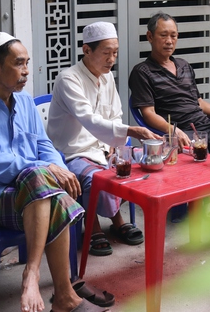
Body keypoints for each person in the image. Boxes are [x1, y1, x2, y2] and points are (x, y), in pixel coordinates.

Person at [0, 32, 111, 312]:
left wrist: (58, 169)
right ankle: (46, 283)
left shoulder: (24, 102)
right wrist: (45, 169)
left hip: (36, 195)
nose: (26, 71)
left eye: (28, 63)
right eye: (19, 63)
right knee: (43, 183)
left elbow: (44, 145)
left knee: (48, 187)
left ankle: (58, 294)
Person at [48, 22, 160, 256]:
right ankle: (94, 225)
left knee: (142, 164)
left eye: (115, 53)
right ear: (86, 50)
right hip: (73, 151)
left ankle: (116, 218)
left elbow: (115, 114)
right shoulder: (69, 79)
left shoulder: (107, 77)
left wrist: (114, 145)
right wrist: (130, 132)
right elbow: (88, 119)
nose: (112, 59)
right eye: (106, 53)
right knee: (95, 177)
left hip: (104, 147)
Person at [129, 12, 210, 210]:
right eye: (163, 35)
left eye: (174, 35)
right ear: (150, 37)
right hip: (181, 136)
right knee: (203, 169)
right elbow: (148, 114)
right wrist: (173, 130)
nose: (169, 41)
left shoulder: (184, 65)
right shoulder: (142, 72)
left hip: (207, 129)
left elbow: (198, 103)